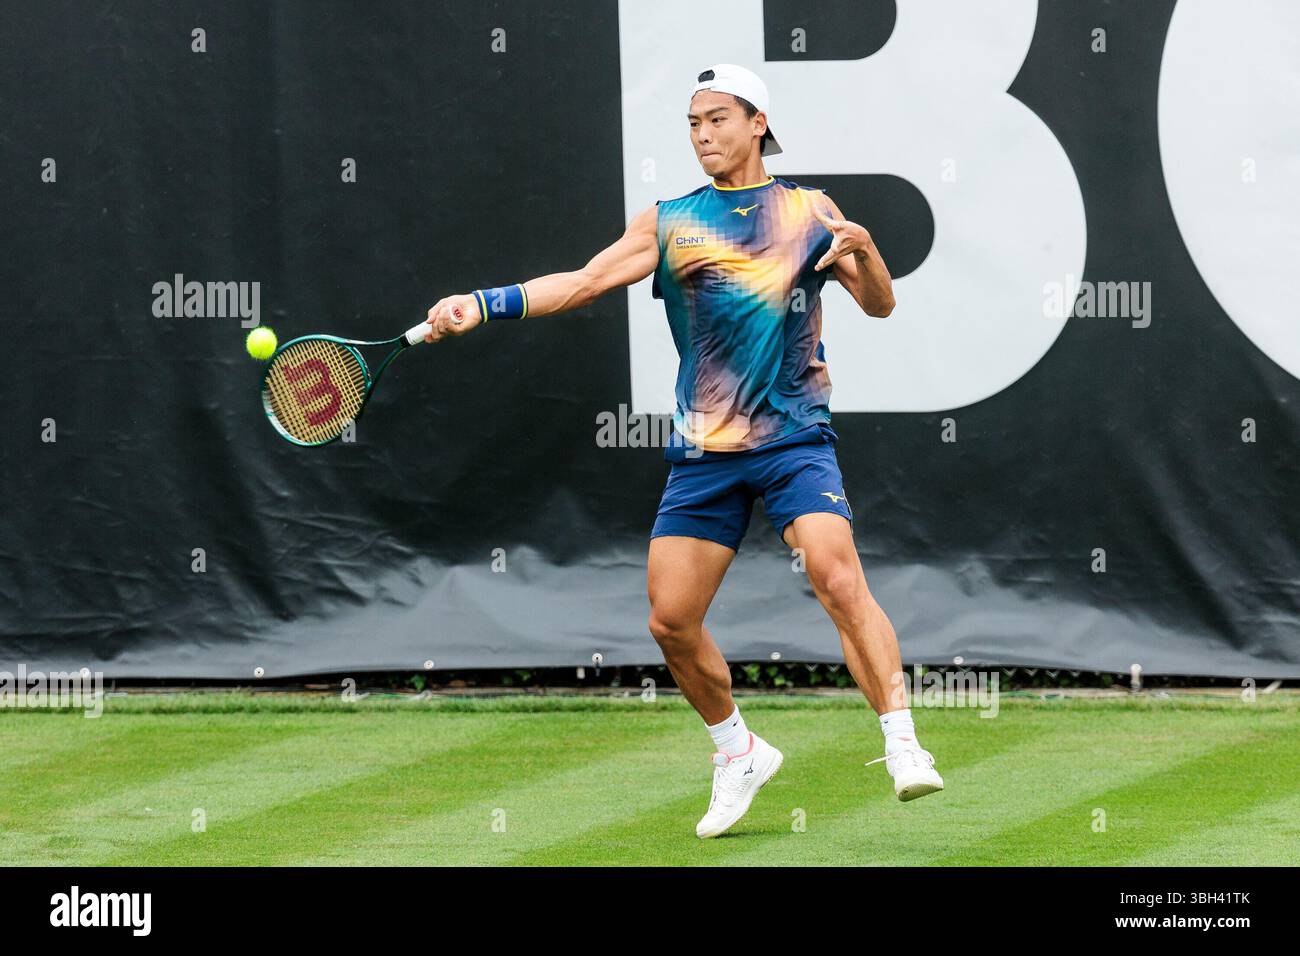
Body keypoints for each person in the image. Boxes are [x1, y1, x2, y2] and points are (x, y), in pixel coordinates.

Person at [423, 63, 943, 839]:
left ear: (757, 122)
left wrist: (865, 251)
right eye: (693, 123)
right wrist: (484, 304)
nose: (703, 134)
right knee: (670, 620)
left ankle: (902, 744)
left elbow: (880, 305)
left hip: (794, 435)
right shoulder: (671, 220)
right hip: (706, 448)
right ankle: (737, 751)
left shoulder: (809, 211)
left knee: (836, 574)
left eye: (717, 119)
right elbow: (587, 281)